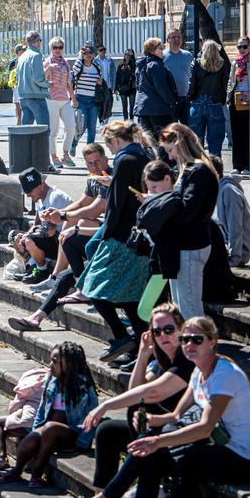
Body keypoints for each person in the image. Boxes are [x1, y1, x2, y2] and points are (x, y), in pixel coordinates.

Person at [88, 316, 250, 498]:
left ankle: (106, 497)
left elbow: (205, 428)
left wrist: (157, 441)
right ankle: (107, 496)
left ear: (212, 342)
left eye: (197, 340)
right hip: (216, 444)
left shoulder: (224, 374)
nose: (190, 344)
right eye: (185, 340)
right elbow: (176, 415)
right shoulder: (198, 371)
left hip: (240, 458)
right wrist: (154, 421)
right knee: (150, 450)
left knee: (156, 453)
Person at [84, 304, 194, 491]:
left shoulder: (187, 360)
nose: (163, 335)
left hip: (184, 434)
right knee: (107, 430)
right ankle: (100, 491)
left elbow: (152, 392)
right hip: (158, 429)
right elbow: (135, 391)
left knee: (141, 414)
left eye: (168, 329)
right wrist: (143, 354)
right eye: (157, 331)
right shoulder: (162, 361)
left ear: (181, 329)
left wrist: (106, 405)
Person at [75, 120, 154, 362]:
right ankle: (137, 350)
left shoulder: (123, 159)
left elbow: (117, 204)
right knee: (130, 296)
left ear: (116, 140)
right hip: (140, 235)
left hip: (120, 236)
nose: (108, 150)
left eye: (108, 145)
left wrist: (105, 236)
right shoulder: (144, 154)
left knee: (92, 287)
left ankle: (122, 337)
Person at [9, 144, 110, 331]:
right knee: (65, 269)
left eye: (97, 161)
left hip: (106, 233)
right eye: (89, 163)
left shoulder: (108, 178)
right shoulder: (93, 178)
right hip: (89, 235)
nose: (94, 166)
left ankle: (59, 279)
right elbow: (82, 202)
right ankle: (39, 314)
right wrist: (61, 213)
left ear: (106, 159)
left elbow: (95, 209)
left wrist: (63, 216)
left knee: (73, 228)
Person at [0, 342, 99, 488]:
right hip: (48, 432)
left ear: (69, 364)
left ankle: (36, 475)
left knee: (50, 427)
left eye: (55, 361)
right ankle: (16, 470)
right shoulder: (51, 382)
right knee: (29, 439)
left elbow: (94, 415)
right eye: (51, 360)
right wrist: (36, 431)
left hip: (72, 434)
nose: (50, 364)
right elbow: (41, 409)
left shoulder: (83, 386)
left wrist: (81, 444)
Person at [157, 124, 219, 322]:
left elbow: (187, 210)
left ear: (179, 144)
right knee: (182, 305)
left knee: (189, 308)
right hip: (185, 244)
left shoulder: (197, 170)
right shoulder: (192, 169)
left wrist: (161, 207)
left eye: (170, 150)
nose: (170, 157)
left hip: (191, 244)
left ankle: (196, 346)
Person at [12, 168, 73, 284]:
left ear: (41, 185)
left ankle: (42, 271)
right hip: (51, 239)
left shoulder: (54, 198)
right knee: (15, 236)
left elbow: (50, 231)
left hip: (64, 243)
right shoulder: (41, 198)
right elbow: (36, 224)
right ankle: (31, 267)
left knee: (29, 240)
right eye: (26, 191)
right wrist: (23, 236)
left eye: (30, 190)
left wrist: (27, 237)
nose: (28, 195)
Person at [187, 40, 230, 156]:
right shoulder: (221, 64)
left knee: (196, 141)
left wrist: (190, 98)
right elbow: (224, 84)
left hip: (198, 102)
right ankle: (215, 170)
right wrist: (221, 100)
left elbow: (191, 84)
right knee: (215, 141)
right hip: (215, 103)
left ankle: (197, 170)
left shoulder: (196, 63)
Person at [211, 155, 250, 267]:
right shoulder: (217, 190)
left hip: (236, 253)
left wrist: (234, 259)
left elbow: (235, 227)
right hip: (224, 248)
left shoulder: (228, 192)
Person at [134, 37, 178, 141]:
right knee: (163, 142)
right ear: (152, 50)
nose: (163, 50)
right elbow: (161, 88)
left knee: (148, 142)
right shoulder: (156, 65)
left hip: (143, 109)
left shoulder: (141, 66)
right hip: (158, 110)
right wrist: (172, 102)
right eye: (160, 48)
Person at [45, 37, 77, 169]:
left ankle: (65, 154)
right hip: (52, 99)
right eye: (55, 47)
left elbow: (69, 82)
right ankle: (53, 156)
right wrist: (48, 68)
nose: (58, 50)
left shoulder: (66, 62)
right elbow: (42, 79)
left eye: (60, 47)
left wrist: (73, 97)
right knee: (53, 131)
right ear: (51, 49)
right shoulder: (47, 61)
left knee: (71, 128)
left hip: (64, 99)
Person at [71, 44, 106, 151]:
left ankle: (89, 152)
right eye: (85, 53)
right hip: (80, 99)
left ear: (94, 54)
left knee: (92, 128)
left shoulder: (97, 67)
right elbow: (74, 69)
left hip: (93, 101)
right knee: (81, 126)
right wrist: (79, 56)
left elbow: (101, 80)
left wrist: (100, 83)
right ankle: (73, 144)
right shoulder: (79, 66)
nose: (88, 55)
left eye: (90, 53)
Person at [16, 31, 50, 125]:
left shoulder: (21, 57)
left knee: (26, 132)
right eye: (40, 40)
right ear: (38, 41)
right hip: (36, 97)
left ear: (27, 42)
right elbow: (38, 78)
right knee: (44, 130)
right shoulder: (36, 55)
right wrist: (48, 84)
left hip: (23, 97)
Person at [164, 29, 194, 126]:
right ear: (167, 39)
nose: (176, 39)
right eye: (173, 37)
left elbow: (192, 76)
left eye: (179, 37)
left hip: (185, 99)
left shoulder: (188, 55)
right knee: (172, 130)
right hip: (170, 100)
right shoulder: (162, 56)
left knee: (187, 129)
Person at [229, 37, 250, 175]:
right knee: (236, 134)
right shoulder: (235, 62)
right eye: (239, 47)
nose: (242, 49)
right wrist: (228, 97)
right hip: (236, 100)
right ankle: (237, 165)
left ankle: (248, 165)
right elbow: (230, 81)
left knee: (248, 134)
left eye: (244, 46)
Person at [115, 50, 137, 121]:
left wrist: (130, 70)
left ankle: (131, 120)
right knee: (124, 106)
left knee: (132, 106)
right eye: (126, 54)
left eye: (129, 55)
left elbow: (136, 75)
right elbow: (117, 76)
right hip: (122, 87)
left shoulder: (133, 65)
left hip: (131, 87)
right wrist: (117, 88)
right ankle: (125, 122)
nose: (127, 56)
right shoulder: (121, 64)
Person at [95, 45, 115, 122]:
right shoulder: (95, 61)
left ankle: (106, 120)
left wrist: (114, 86)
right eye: (100, 50)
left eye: (104, 50)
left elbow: (114, 74)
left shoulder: (109, 60)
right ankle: (101, 119)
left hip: (109, 86)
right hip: (100, 86)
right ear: (98, 51)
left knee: (109, 103)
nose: (102, 52)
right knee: (101, 104)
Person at [10, 44, 25, 123]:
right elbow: (11, 73)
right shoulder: (13, 61)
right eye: (22, 49)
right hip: (16, 86)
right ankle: (18, 119)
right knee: (17, 104)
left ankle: (23, 120)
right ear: (18, 51)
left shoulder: (27, 59)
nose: (24, 51)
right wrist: (16, 65)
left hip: (25, 85)